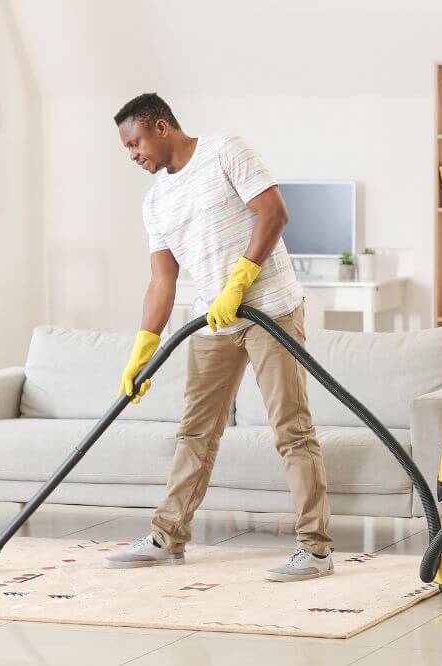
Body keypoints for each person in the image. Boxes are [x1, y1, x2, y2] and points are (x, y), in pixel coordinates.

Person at [103, 93, 333, 582]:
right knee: (196, 432)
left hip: (271, 309)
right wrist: (143, 347)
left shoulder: (226, 150)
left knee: (291, 429)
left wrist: (241, 279)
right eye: (126, 149)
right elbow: (162, 280)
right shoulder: (155, 202)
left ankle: (315, 549)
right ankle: (168, 537)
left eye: (135, 143)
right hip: (212, 321)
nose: (133, 155)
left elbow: (274, 212)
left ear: (161, 127)